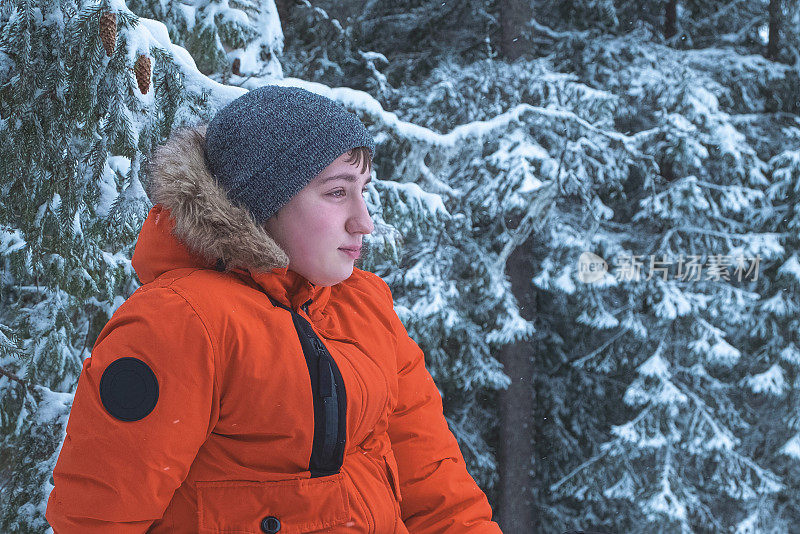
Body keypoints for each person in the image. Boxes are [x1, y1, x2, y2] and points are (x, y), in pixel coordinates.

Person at [45, 85, 503, 533]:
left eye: (363, 190)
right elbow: (95, 519)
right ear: (263, 203)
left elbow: (440, 494)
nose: (364, 221)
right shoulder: (180, 322)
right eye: (337, 192)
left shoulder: (366, 306)